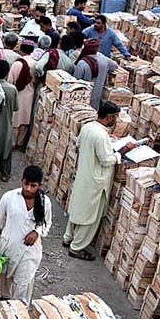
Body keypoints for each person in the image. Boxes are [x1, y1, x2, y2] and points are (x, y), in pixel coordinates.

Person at [65, 101, 136, 260]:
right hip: (95, 181)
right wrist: (123, 151)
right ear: (109, 117)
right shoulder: (100, 134)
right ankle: (76, 248)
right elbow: (106, 160)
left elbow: (79, 143)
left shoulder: (88, 126)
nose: (115, 121)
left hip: (84, 175)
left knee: (77, 208)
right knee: (90, 217)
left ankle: (68, 237)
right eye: (115, 118)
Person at [0, 165, 52, 303]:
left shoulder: (45, 203)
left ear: (39, 185)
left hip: (29, 252)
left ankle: (19, 314)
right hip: (9, 247)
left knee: (22, 286)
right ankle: (5, 302)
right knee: (6, 281)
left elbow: (47, 223)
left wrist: (36, 232)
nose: (28, 189)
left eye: (33, 186)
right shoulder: (9, 197)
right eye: (26, 184)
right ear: (22, 180)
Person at [7, 38, 38, 151]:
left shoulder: (17, 64)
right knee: (25, 119)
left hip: (17, 94)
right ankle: (21, 142)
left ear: (21, 49)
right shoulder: (35, 64)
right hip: (30, 94)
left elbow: (10, 82)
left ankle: (12, 143)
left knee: (15, 120)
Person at [74, 38, 118, 109]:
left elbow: (75, 81)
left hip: (82, 100)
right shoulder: (104, 60)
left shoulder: (82, 63)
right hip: (97, 99)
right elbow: (115, 66)